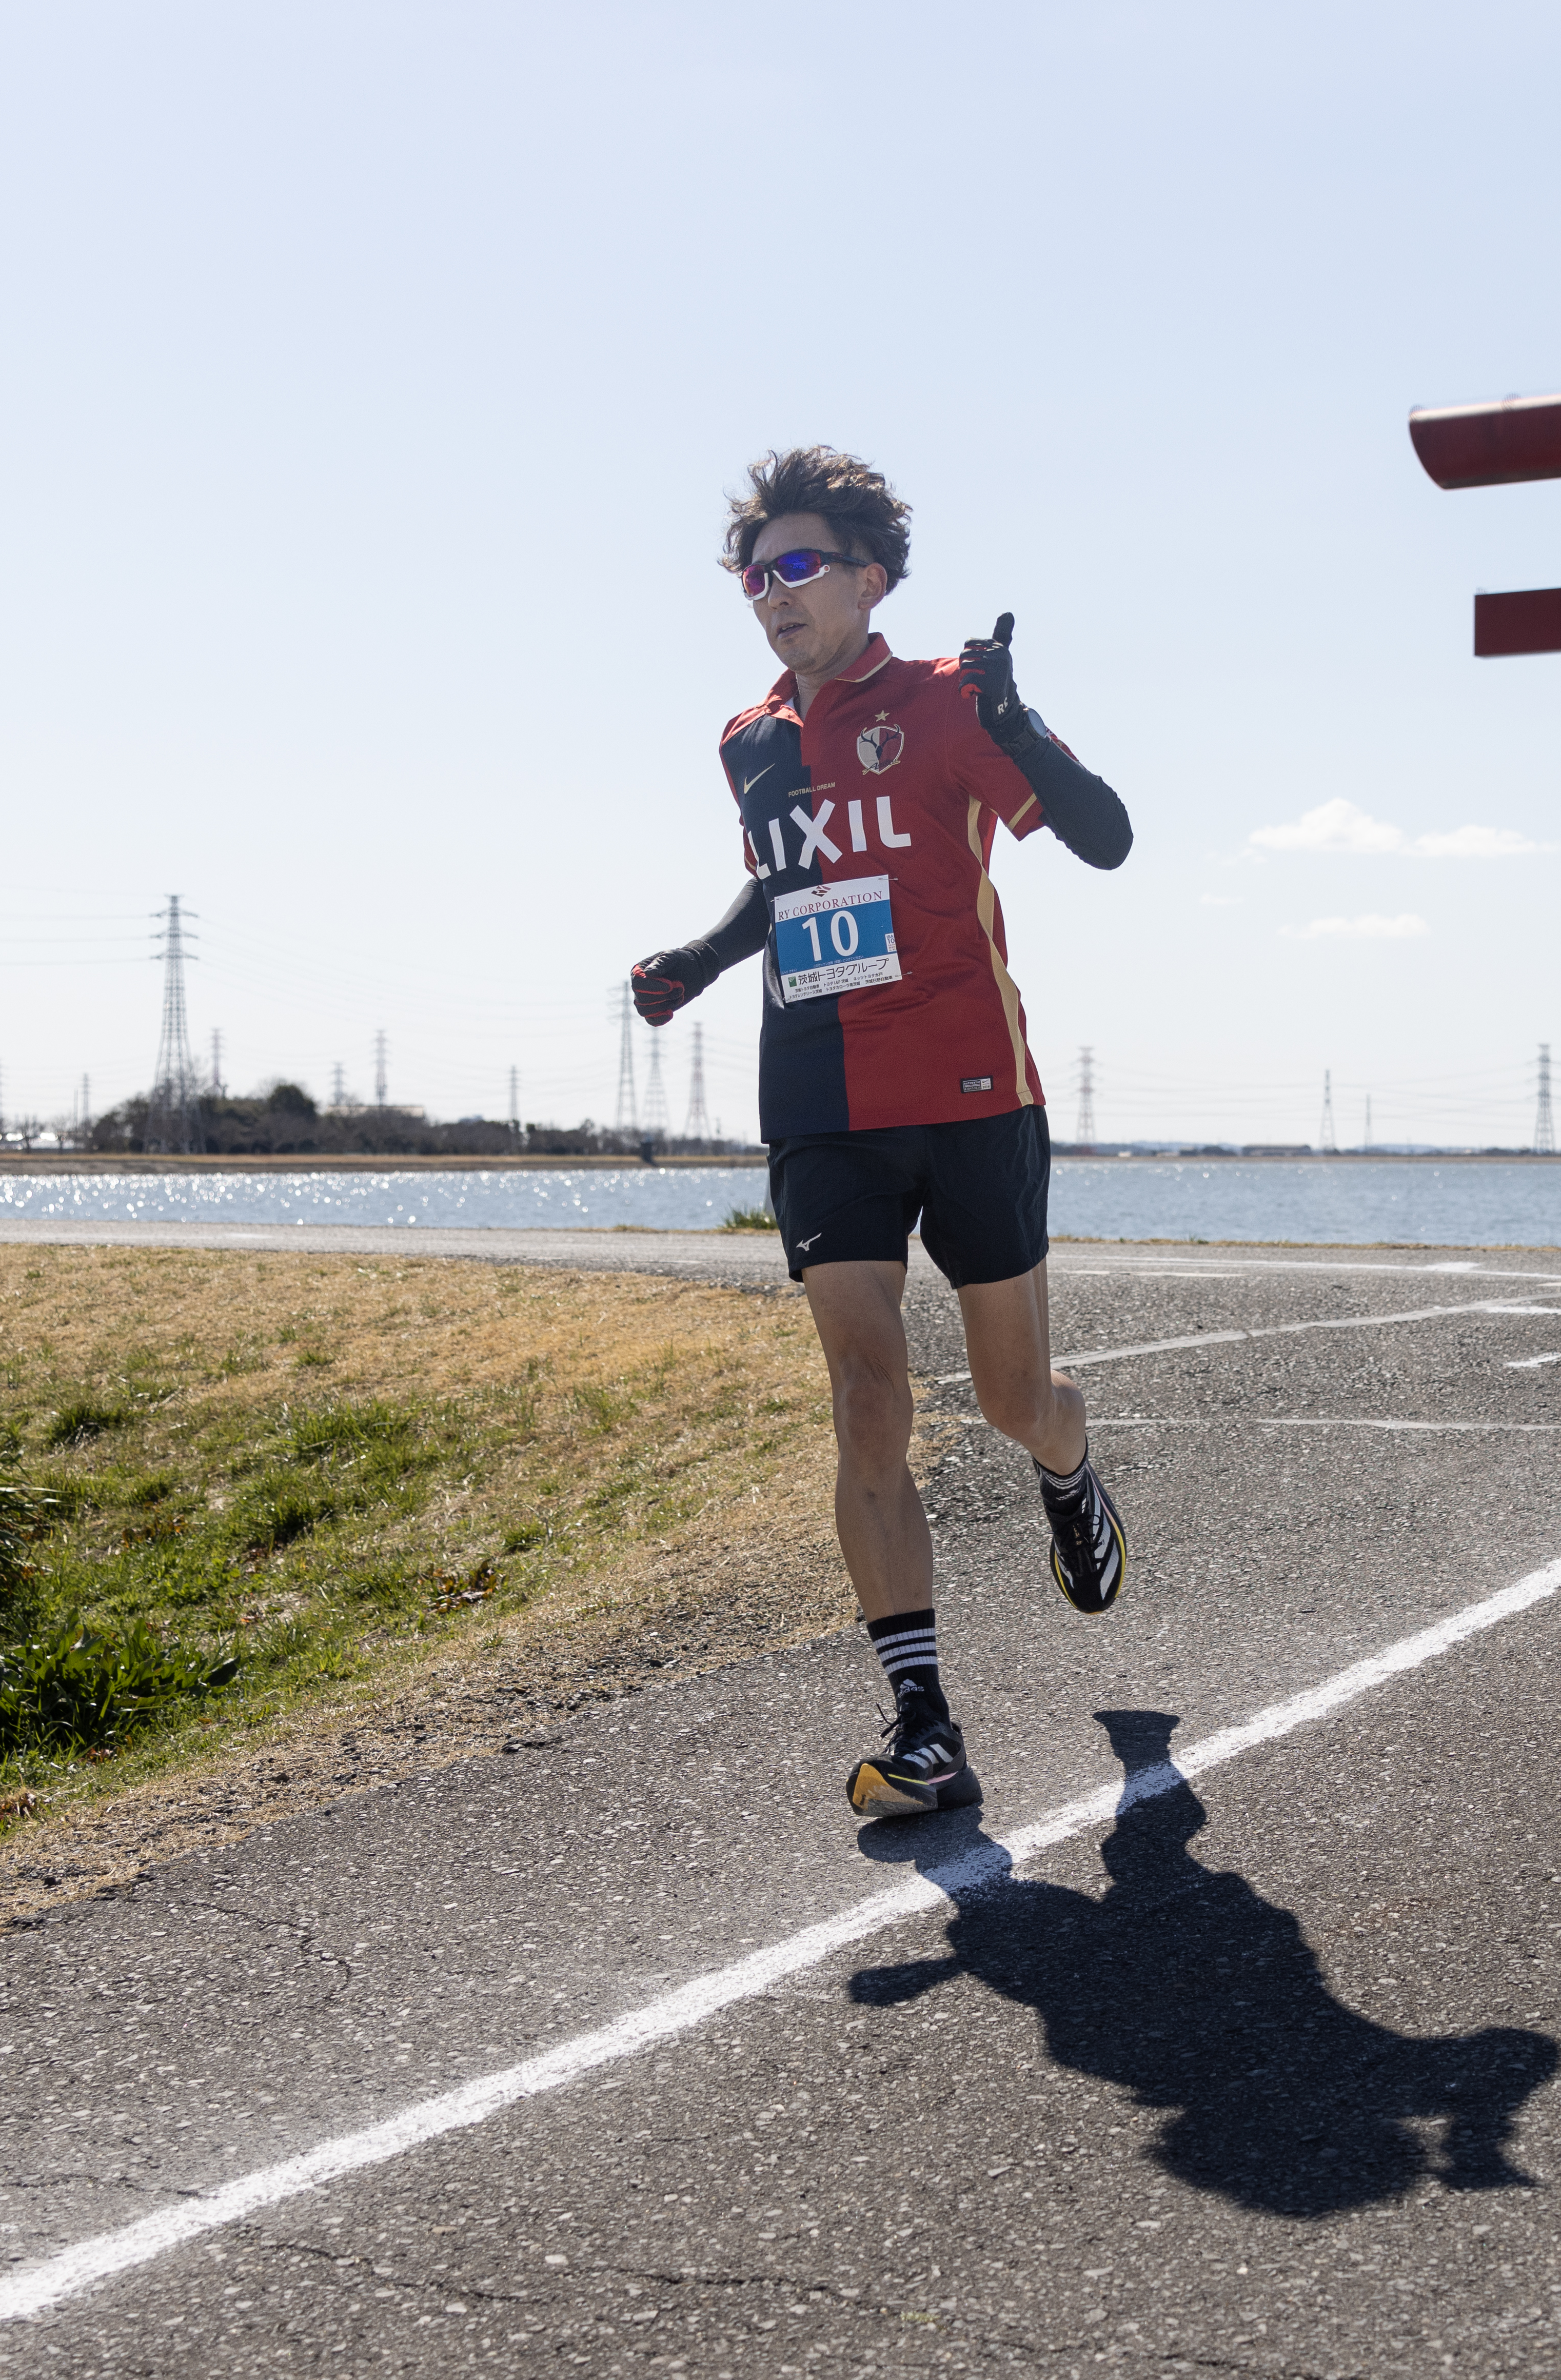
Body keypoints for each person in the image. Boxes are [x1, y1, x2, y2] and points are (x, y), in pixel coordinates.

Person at [629, 446, 1135, 1823]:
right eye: (754, 572)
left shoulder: (951, 707)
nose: (771, 592)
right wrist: (699, 957)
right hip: (820, 1102)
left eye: (799, 566)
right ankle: (925, 1726)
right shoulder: (748, 740)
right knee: (867, 1396)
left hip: (973, 1092)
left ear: (870, 579)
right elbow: (789, 894)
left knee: (1013, 1397)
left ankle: (1069, 1465)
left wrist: (1022, 729)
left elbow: (1107, 840)